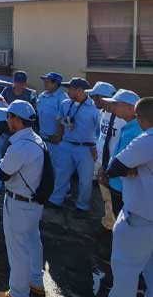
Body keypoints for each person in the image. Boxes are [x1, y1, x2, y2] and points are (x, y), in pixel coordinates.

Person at [87, 97, 153, 297]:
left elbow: (116, 166)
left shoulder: (147, 139)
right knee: (150, 266)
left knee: (125, 268)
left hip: (141, 215)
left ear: (142, 118)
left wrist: (129, 169)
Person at [0, 100, 45, 297]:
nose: (6, 120)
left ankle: (19, 296)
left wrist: (3, 161)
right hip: (32, 203)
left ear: (18, 121)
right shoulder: (36, 139)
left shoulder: (20, 146)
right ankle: (36, 281)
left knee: (17, 250)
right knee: (32, 242)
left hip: (19, 202)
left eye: (9, 117)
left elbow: (3, 173)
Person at [49, 78, 99, 212]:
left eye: (70, 88)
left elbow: (99, 131)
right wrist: (59, 135)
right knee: (61, 174)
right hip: (66, 144)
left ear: (80, 90)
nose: (67, 91)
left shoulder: (94, 107)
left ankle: (82, 205)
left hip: (86, 148)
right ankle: (56, 200)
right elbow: (59, 120)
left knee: (85, 180)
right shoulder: (65, 103)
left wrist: (96, 147)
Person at [98, 90, 142, 223]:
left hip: (125, 188)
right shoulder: (129, 126)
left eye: (117, 104)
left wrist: (110, 174)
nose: (113, 107)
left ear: (130, 108)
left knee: (126, 223)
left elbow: (132, 164)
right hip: (117, 183)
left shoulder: (138, 130)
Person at [88, 82, 124, 231]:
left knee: (117, 197)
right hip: (102, 161)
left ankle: (118, 227)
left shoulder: (123, 118)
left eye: (96, 97)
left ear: (105, 98)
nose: (94, 101)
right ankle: (109, 223)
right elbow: (99, 133)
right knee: (106, 196)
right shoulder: (102, 113)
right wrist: (95, 147)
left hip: (117, 165)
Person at [36, 72, 67, 177]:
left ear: (55, 84)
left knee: (58, 166)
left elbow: (63, 118)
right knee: (44, 165)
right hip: (43, 137)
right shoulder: (42, 96)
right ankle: (48, 189)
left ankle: (63, 191)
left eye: (48, 82)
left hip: (56, 139)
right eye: (44, 81)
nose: (45, 83)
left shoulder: (62, 98)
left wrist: (59, 135)